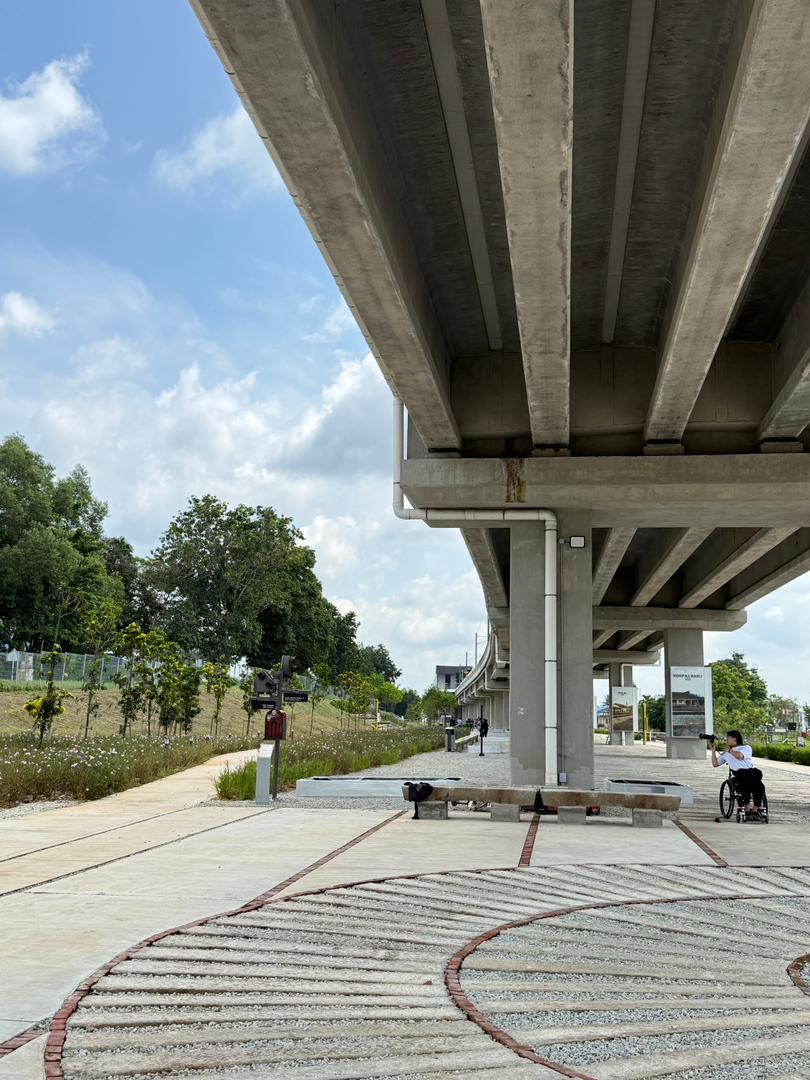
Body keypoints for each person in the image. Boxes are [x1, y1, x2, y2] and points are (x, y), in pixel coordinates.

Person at [710, 729, 765, 820]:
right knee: (744, 785)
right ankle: (747, 809)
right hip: (738, 775)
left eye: (728, 738)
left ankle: (755, 810)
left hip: (750, 773)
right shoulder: (726, 753)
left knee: (760, 787)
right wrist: (713, 751)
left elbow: (740, 756)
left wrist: (730, 751)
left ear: (734, 739)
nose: (726, 740)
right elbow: (715, 764)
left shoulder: (746, 748)